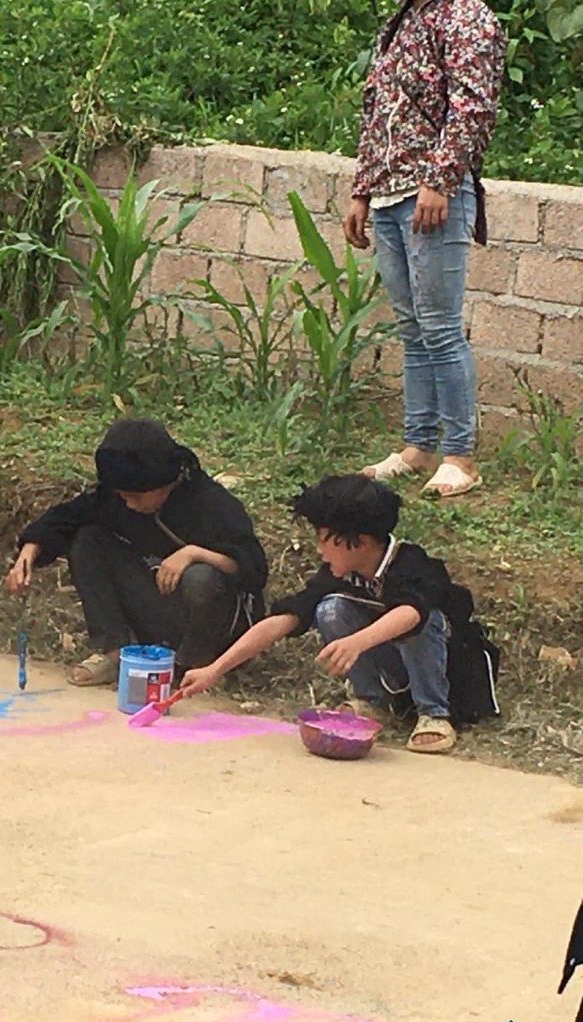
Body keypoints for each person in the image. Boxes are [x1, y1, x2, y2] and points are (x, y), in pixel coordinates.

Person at [344, 0, 506, 499]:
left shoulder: (466, 15)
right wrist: (362, 190)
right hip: (390, 196)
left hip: (432, 196)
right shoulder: (400, 21)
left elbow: (472, 104)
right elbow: (377, 115)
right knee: (412, 327)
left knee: (439, 326)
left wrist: (440, 179)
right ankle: (418, 447)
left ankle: (460, 455)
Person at [179, 474, 460, 753]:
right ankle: (373, 702)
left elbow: (412, 613)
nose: (319, 549)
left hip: (447, 673)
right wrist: (215, 669)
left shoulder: (415, 564)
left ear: (358, 541)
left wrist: (356, 642)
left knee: (417, 620)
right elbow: (284, 620)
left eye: (325, 539)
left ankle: (434, 713)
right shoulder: (339, 574)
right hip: (392, 668)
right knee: (330, 609)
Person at [4, 418, 266, 687]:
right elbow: (67, 516)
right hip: (162, 604)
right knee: (88, 540)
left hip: (215, 623)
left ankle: (195, 667)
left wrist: (193, 554)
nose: (128, 505)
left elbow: (253, 567)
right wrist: (30, 552)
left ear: (163, 484)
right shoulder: (119, 499)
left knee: (201, 577)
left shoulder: (212, 504)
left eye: (136, 497)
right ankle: (120, 656)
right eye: (122, 495)